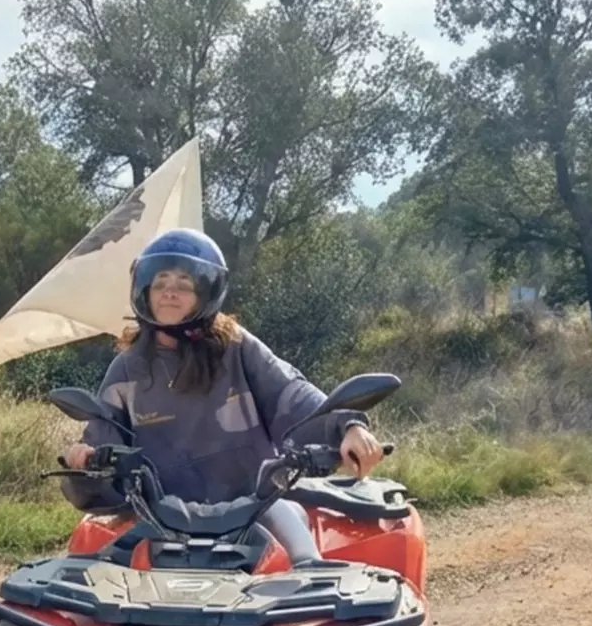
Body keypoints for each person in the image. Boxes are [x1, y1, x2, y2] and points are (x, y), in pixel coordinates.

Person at [58, 229, 386, 563]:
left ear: (206, 292)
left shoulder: (236, 348)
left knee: (309, 566)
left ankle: (315, 580)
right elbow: (104, 440)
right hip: (162, 517)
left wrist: (347, 427)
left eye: (184, 283)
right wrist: (84, 461)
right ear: (144, 290)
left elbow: (291, 394)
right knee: (96, 578)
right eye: (160, 282)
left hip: (255, 506)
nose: (170, 292)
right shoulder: (126, 369)